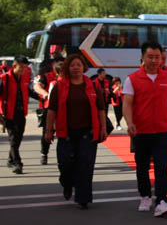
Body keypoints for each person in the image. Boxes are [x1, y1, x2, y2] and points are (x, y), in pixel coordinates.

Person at [43, 53, 107, 208]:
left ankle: (83, 198)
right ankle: (67, 183)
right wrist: (48, 130)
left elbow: (101, 108)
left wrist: (103, 128)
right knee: (65, 164)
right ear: (67, 68)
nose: (76, 68)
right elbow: (52, 110)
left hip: (87, 133)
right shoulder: (60, 86)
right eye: (72, 65)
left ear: (84, 67)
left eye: (79, 65)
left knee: (85, 165)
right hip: (66, 132)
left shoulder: (93, 86)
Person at [122, 43, 167, 217]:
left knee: (162, 166)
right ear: (142, 57)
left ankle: (161, 200)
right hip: (141, 131)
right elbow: (127, 104)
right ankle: (145, 195)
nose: (154, 60)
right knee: (142, 167)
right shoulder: (132, 79)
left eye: (157, 57)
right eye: (150, 57)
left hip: (162, 130)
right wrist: (130, 123)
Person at [1, 55, 38, 174]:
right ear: (14, 66)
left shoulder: (25, 77)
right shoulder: (4, 78)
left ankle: (10, 159)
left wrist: (42, 97)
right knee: (13, 138)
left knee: (18, 137)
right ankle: (17, 163)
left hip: (21, 112)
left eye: (25, 68)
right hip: (8, 113)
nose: (23, 70)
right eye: (21, 67)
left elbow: (28, 92)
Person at [33, 55, 63, 165]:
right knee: (47, 132)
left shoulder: (70, 77)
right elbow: (37, 87)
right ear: (53, 65)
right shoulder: (46, 77)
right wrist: (46, 94)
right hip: (48, 108)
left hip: (63, 110)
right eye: (58, 63)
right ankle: (44, 153)